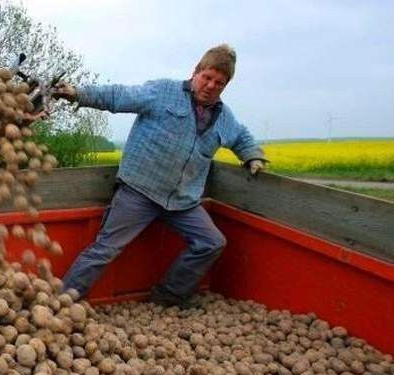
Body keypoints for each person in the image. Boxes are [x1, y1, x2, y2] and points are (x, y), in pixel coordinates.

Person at [53, 44, 267, 307]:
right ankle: (62, 301)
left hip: (182, 201)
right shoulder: (163, 92)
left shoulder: (224, 117)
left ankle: (169, 295)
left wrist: (252, 155)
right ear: (196, 72)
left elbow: (241, 136)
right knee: (105, 249)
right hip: (140, 190)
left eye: (219, 83)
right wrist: (77, 93)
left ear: (225, 86)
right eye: (207, 77)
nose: (211, 85)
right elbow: (118, 96)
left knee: (211, 242)